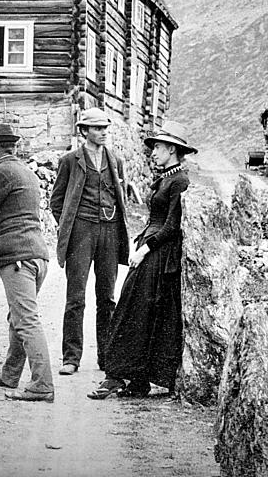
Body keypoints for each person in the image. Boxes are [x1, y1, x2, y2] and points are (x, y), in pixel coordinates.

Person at [88, 121, 196, 399]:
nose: (153, 153)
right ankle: (135, 380)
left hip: (160, 256)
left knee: (137, 312)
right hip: (152, 251)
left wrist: (145, 249)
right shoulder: (168, 177)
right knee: (136, 312)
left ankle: (121, 377)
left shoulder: (179, 180)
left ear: (172, 150)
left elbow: (172, 226)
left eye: (158, 147)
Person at [0, 122, 54, 402]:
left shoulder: (0, 172)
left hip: (17, 257)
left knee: (26, 320)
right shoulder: (25, 171)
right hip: (37, 255)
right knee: (17, 316)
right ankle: (10, 374)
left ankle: (42, 384)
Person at [49, 107, 129, 376]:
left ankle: (107, 358)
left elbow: (120, 195)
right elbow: (57, 201)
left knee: (107, 297)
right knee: (76, 297)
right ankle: (71, 358)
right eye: (97, 128)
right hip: (81, 232)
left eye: (105, 128)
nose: (103, 132)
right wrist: (70, 224)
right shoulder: (70, 161)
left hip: (110, 231)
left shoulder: (115, 160)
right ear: (84, 131)